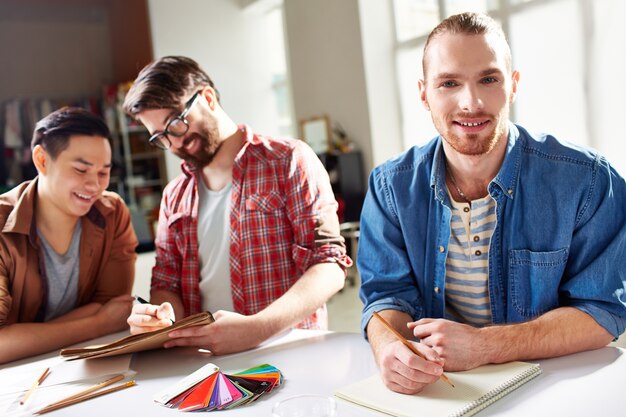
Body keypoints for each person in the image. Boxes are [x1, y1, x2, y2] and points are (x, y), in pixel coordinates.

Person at [359, 12, 626, 394]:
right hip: (443, 392)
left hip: (551, 387)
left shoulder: (589, 180)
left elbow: (602, 313)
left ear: (513, 85)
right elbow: (385, 295)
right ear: (423, 93)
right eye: (449, 83)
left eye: (489, 79)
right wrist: (389, 348)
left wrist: (485, 346)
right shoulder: (390, 187)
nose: (472, 102)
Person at [124, 56, 350, 354]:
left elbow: (329, 265)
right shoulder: (174, 195)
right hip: (205, 365)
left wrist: (257, 328)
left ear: (207, 97)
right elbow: (167, 282)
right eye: (161, 137)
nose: (175, 144)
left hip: (288, 352)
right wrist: (161, 318)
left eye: (175, 124)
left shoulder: (288, 160)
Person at [0, 107, 138, 364]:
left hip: (85, 365)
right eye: (80, 170)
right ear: (42, 160)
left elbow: (115, 308)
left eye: (103, 172)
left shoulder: (111, 213)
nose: (94, 186)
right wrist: (96, 325)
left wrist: (21, 336)